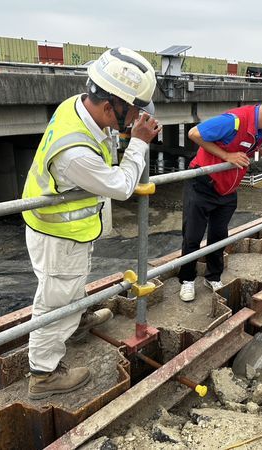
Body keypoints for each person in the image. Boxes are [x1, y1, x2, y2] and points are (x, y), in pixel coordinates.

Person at [21, 47, 161, 399]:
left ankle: (77, 321)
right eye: (131, 111)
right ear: (108, 104)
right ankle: (44, 374)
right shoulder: (75, 154)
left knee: (68, 288)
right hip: (59, 235)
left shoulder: (77, 106)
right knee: (53, 304)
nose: (135, 118)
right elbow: (121, 186)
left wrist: (127, 133)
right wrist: (139, 144)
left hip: (63, 231)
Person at [178, 81, 262, 301]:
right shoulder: (234, 121)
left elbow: (244, 143)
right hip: (203, 184)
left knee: (219, 236)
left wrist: (257, 148)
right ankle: (187, 280)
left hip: (227, 191)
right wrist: (227, 157)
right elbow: (194, 133)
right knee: (193, 236)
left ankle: (212, 276)